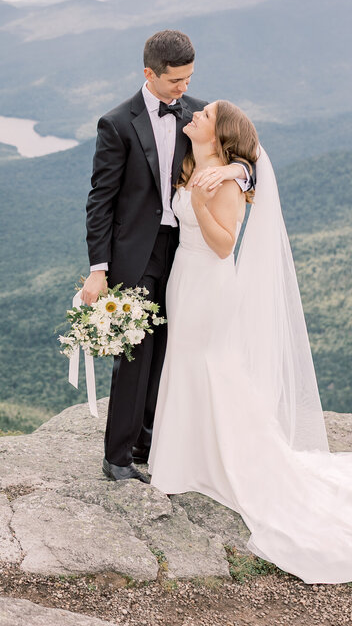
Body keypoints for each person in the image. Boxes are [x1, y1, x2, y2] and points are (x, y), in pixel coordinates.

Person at [148, 99, 352, 584]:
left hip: (211, 281)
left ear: (220, 136)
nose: (195, 115)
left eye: (205, 116)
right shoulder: (197, 164)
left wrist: (204, 197)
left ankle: (218, 461)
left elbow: (224, 244)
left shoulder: (225, 177)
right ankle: (186, 456)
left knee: (208, 363)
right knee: (186, 362)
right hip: (185, 277)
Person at [82, 30, 252, 483]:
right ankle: (116, 457)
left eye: (189, 78)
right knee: (137, 352)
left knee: (173, 350)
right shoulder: (116, 123)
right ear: (149, 74)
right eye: (176, 80)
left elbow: (248, 153)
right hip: (136, 254)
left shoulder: (198, 114)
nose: (184, 89)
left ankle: (149, 439)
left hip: (188, 254)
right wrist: (99, 269)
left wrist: (237, 170)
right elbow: (100, 201)